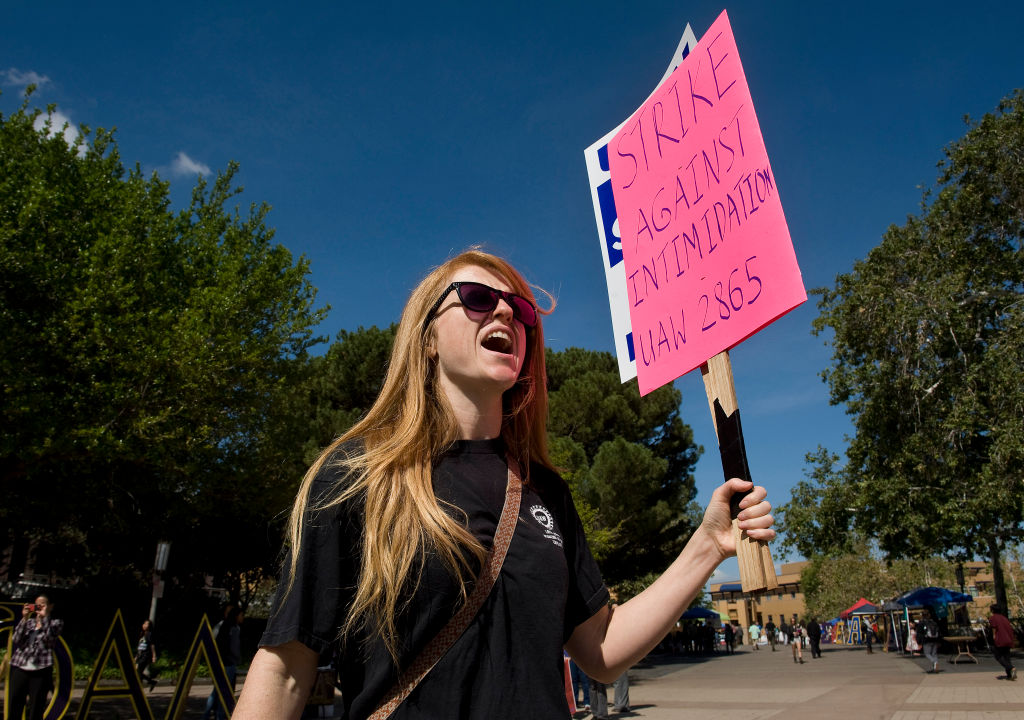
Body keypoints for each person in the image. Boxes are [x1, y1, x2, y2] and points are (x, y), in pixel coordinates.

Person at [231, 250, 775, 720]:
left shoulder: (547, 492)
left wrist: (709, 546)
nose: (503, 312)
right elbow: (285, 669)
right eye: (474, 297)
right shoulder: (356, 477)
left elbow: (601, 650)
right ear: (427, 341)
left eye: (520, 311)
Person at [7, 595, 64, 720]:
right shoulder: (29, 623)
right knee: (14, 702)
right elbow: (16, 639)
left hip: (41, 668)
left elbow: (48, 641)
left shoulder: (56, 623)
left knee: (36, 706)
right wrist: (24, 618)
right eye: (37, 604)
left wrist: (44, 618)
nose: (39, 607)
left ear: (50, 606)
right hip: (21, 665)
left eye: (42, 604)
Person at [203, 605, 244, 720]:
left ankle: (206, 715)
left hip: (220, 662)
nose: (243, 617)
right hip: (229, 663)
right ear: (236, 616)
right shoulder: (235, 628)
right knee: (224, 692)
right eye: (241, 615)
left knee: (216, 691)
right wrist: (238, 659)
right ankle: (220, 715)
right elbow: (234, 648)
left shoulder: (223, 625)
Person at [989, 604, 1017, 681]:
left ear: (992, 610)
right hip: (1008, 639)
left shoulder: (993, 618)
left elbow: (994, 628)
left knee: (998, 656)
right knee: (1007, 657)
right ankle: (1009, 675)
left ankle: (1011, 668)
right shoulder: (1004, 618)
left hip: (1000, 639)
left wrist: (994, 637)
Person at [135, 619, 158, 691]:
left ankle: (139, 687)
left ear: (149, 626)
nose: (145, 625)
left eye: (147, 624)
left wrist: (154, 656)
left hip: (145, 655)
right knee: (138, 672)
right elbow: (140, 646)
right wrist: (136, 656)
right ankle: (152, 682)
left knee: (138, 671)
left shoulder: (149, 634)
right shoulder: (142, 634)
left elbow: (152, 645)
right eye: (144, 624)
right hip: (140, 655)